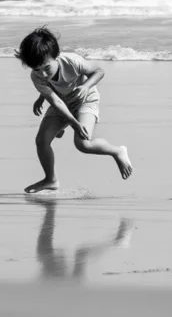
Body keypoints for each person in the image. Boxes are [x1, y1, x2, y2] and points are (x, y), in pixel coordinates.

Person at [14, 27, 133, 193]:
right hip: (62, 102)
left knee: (83, 144)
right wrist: (43, 98)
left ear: (55, 57)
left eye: (46, 68)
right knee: (41, 140)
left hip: (85, 100)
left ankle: (117, 151)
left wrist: (85, 86)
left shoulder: (71, 61)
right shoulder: (37, 75)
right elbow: (55, 100)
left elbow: (99, 71)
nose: (42, 74)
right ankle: (50, 179)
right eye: (36, 69)